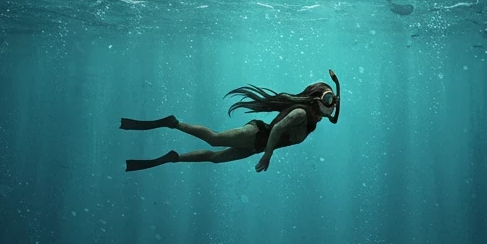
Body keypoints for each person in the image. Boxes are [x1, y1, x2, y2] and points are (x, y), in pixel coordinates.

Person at [121, 70, 340, 173]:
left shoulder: (312, 121)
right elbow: (279, 128)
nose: (332, 105)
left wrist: (262, 151)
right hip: (256, 136)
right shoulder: (301, 114)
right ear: (316, 99)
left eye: (333, 100)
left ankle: (174, 157)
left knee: (215, 159)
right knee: (215, 140)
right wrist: (268, 155)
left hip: (255, 146)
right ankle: (174, 122)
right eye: (328, 98)